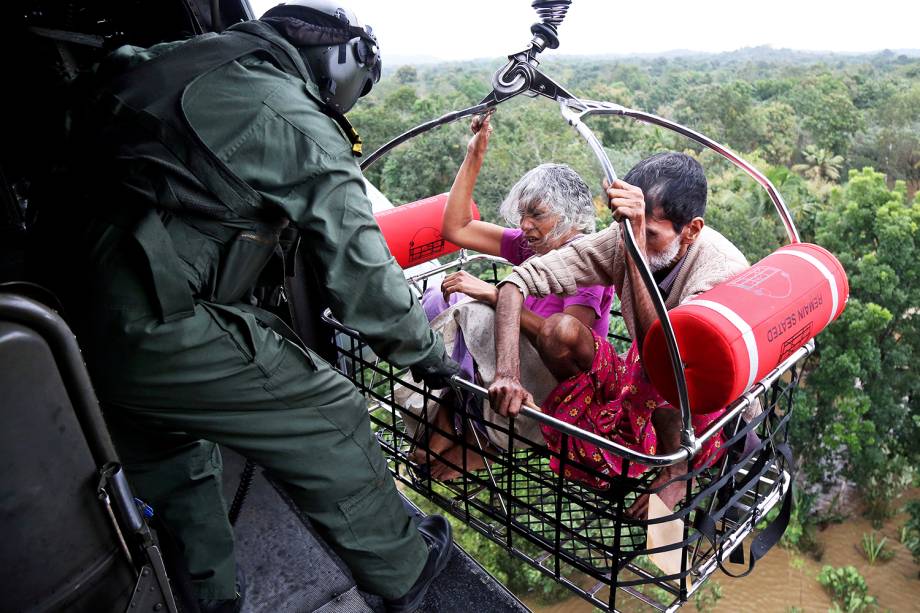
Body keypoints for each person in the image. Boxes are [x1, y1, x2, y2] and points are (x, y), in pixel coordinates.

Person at [61, 2, 457, 611]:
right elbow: (365, 277)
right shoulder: (291, 116)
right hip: (153, 317)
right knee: (328, 413)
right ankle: (407, 571)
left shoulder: (167, 62)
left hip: (67, 315)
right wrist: (429, 356)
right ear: (348, 61)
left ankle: (208, 595)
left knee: (176, 458)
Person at [488, 152, 749, 517]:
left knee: (672, 377)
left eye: (651, 234)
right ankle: (600, 432)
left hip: (695, 394)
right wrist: (507, 373)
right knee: (558, 331)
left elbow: (669, 360)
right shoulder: (624, 237)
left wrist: (636, 252)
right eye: (627, 228)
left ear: (690, 230)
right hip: (643, 372)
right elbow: (518, 281)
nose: (631, 238)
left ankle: (677, 468)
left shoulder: (720, 271)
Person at [415, 112, 614, 479]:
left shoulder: (588, 264)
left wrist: (492, 295)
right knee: (436, 294)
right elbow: (456, 227)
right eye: (522, 214)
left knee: (474, 307)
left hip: (548, 383)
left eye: (536, 214)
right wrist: (474, 155)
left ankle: (482, 441)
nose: (524, 225)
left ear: (569, 215)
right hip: (500, 364)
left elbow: (565, 341)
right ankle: (458, 407)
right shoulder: (530, 248)